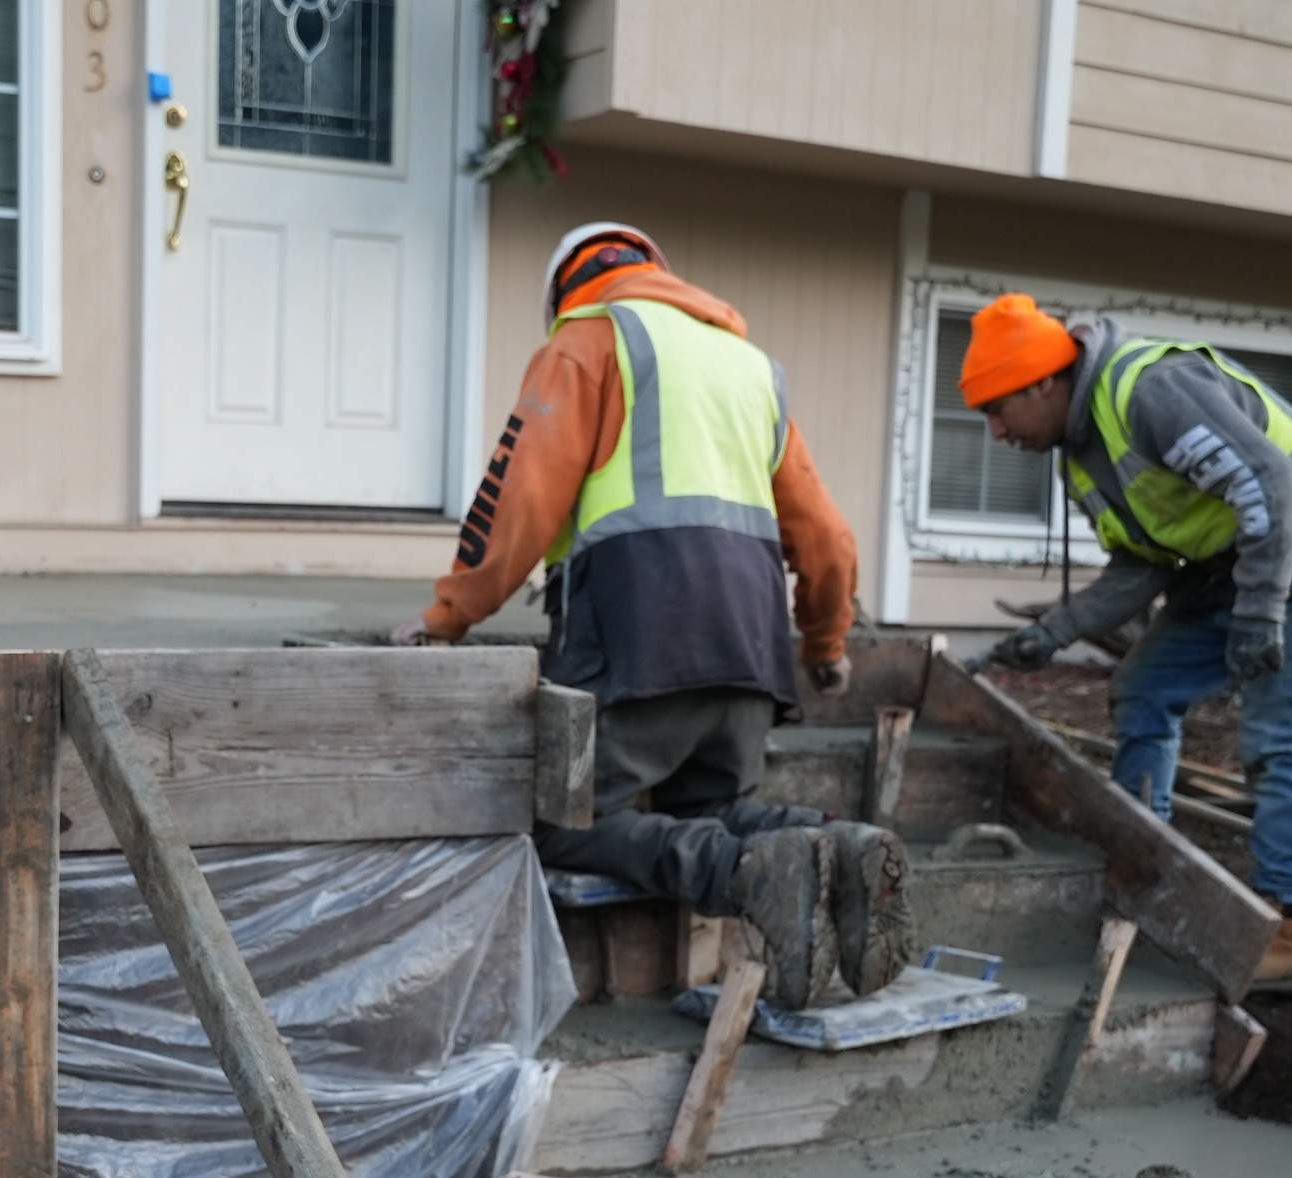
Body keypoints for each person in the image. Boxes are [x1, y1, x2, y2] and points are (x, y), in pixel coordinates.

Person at [392, 222, 915, 1009]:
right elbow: (830, 540)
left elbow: (518, 501)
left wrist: (447, 616)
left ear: (566, 288)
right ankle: (838, 840)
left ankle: (741, 874)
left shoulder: (588, 339)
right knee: (715, 808)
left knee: (562, 823)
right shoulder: (750, 367)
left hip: (639, 642)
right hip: (750, 651)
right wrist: (825, 639)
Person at [964, 293, 1292, 996]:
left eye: (998, 410)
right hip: (1230, 568)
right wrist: (1054, 631)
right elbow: (1140, 565)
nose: (996, 432)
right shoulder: (1082, 457)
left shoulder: (1147, 393)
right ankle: (1142, 869)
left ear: (1041, 383)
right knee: (1143, 688)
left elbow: (1273, 483)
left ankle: (1290, 929)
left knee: (1280, 737)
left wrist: (1260, 616)